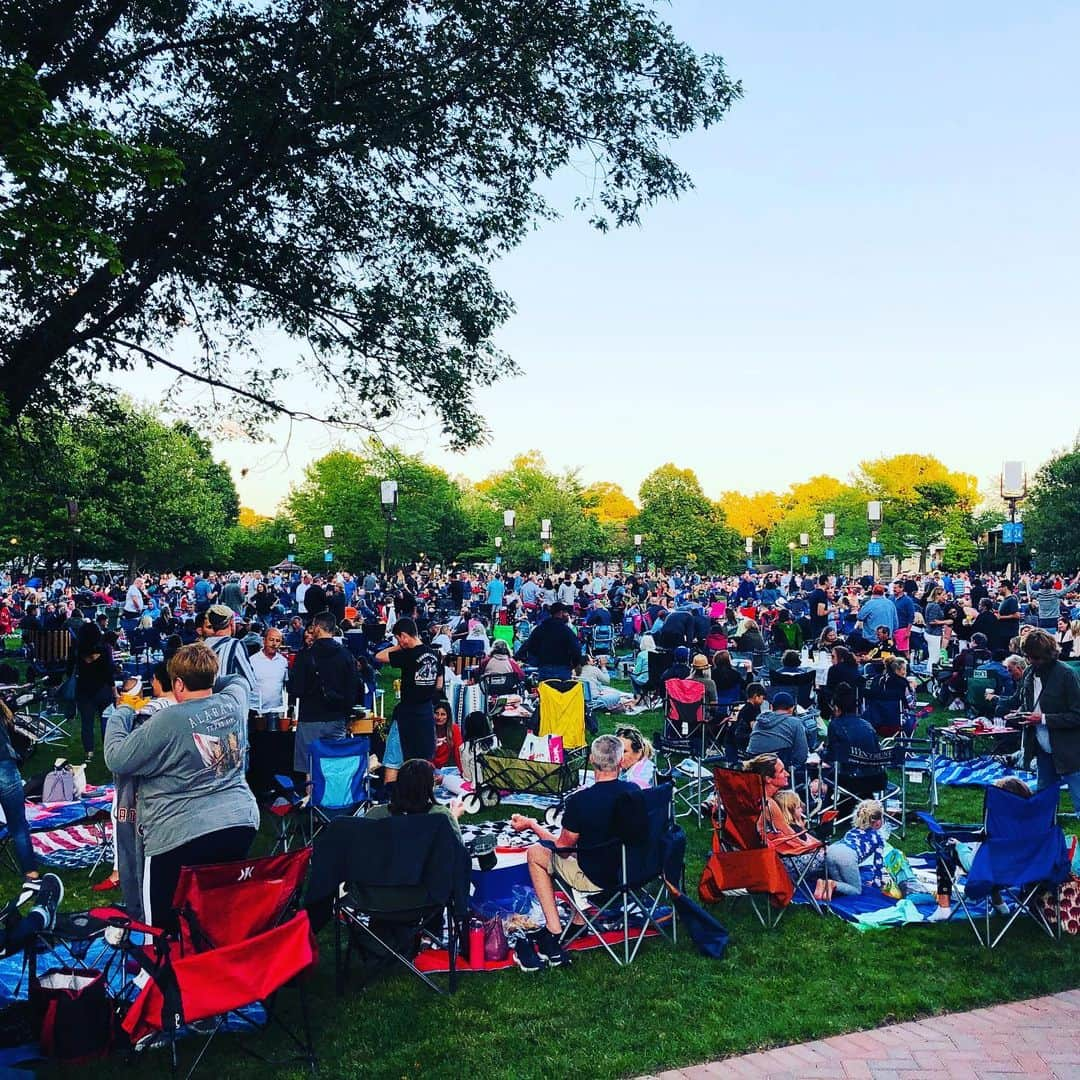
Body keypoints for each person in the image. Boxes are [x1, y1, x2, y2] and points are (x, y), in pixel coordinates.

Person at [103, 644, 259, 931]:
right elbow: (237, 681)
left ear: (177, 684)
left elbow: (117, 758)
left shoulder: (169, 719)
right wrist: (207, 678)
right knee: (214, 912)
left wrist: (123, 710)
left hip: (179, 833)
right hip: (238, 822)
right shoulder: (235, 701)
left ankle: (162, 969)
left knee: (160, 927)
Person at [509, 734, 643, 970]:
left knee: (536, 853)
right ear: (621, 761)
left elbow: (561, 850)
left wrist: (532, 825)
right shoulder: (634, 791)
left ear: (591, 760)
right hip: (633, 869)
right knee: (581, 851)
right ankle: (579, 918)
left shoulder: (580, 801)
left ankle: (553, 931)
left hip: (598, 878)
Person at [746, 754, 862, 902]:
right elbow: (792, 838)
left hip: (754, 862)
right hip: (781, 865)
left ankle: (835, 883)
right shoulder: (769, 804)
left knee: (835, 854)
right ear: (768, 779)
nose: (787, 773)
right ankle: (835, 885)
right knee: (839, 854)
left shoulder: (750, 799)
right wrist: (819, 846)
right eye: (782, 771)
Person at [927, 777, 1032, 922]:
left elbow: (972, 865)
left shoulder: (995, 829)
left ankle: (943, 907)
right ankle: (999, 904)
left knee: (945, 847)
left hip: (990, 873)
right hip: (1023, 871)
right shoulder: (1032, 827)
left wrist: (959, 846)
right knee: (997, 862)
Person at [1012, 629, 1080, 814]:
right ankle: (1046, 838)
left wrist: (1042, 719)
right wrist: (1019, 714)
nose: (1032, 661)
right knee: (1044, 801)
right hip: (1042, 748)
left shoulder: (1067, 675)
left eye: (1036, 657)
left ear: (1048, 654)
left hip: (1070, 751)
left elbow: (1077, 715)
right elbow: (1026, 702)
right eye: (1028, 657)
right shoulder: (1028, 673)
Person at [290, 611, 359, 775]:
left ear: (318, 628)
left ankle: (312, 799)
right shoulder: (346, 655)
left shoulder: (305, 655)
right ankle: (334, 799)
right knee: (335, 768)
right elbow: (353, 689)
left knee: (310, 770)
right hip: (337, 719)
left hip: (310, 719)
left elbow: (296, 689)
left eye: (313, 626)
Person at [376, 617, 442, 786]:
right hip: (426, 711)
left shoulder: (407, 654)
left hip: (407, 712)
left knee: (394, 756)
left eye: (399, 638)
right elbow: (439, 684)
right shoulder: (434, 653)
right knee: (423, 756)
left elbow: (380, 656)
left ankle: (390, 795)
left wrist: (400, 646)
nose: (399, 642)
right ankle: (424, 795)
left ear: (404, 636)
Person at [366, 758, 464, 836]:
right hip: (427, 861)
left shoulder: (375, 814)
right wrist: (453, 816)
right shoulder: (441, 815)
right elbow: (457, 847)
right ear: (430, 787)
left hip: (388, 860)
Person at [68, 621, 118, 760]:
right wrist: (115, 693)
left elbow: (69, 670)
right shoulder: (105, 649)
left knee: (87, 723)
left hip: (84, 690)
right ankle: (108, 748)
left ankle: (89, 752)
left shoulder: (76, 650)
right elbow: (109, 674)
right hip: (103, 690)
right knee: (106, 721)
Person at [202, 605, 258, 705]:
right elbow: (250, 681)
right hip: (227, 707)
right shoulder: (234, 645)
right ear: (231, 623)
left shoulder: (201, 646)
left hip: (204, 706)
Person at [516, 602, 582, 680]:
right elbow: (576, 648)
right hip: (563, 668)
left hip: (544, 668)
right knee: (563, 691)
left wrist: (517, 658)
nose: (567, 615)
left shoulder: (540, 628)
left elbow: (528, 644)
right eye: (565, 612)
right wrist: (576, 664)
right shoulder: (566, 631)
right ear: (560, 613)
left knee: (546, 691)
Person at [745, 691, 808, 770]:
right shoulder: (795, 723)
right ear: (792, 708)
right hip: (778, 767)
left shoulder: (759, 721)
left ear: (771, 707)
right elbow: (802, 754)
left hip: (753, 766)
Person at [250, 626, 289, 716]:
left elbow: (285, 684)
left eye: (278, 641)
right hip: (255, 711)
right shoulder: (252, 661)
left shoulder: (283, 661)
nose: (274, 644)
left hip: (277, 710)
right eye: (271, 640)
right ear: (264, 640)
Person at [431, 699, 463, 773]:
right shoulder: (428, 729)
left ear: (448, 716)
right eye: (436, 713)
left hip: (447, 768)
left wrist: (463, 773)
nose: (439, 717)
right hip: (430, 768)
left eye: (443, 714)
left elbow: (459, 753)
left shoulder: (454, 729)